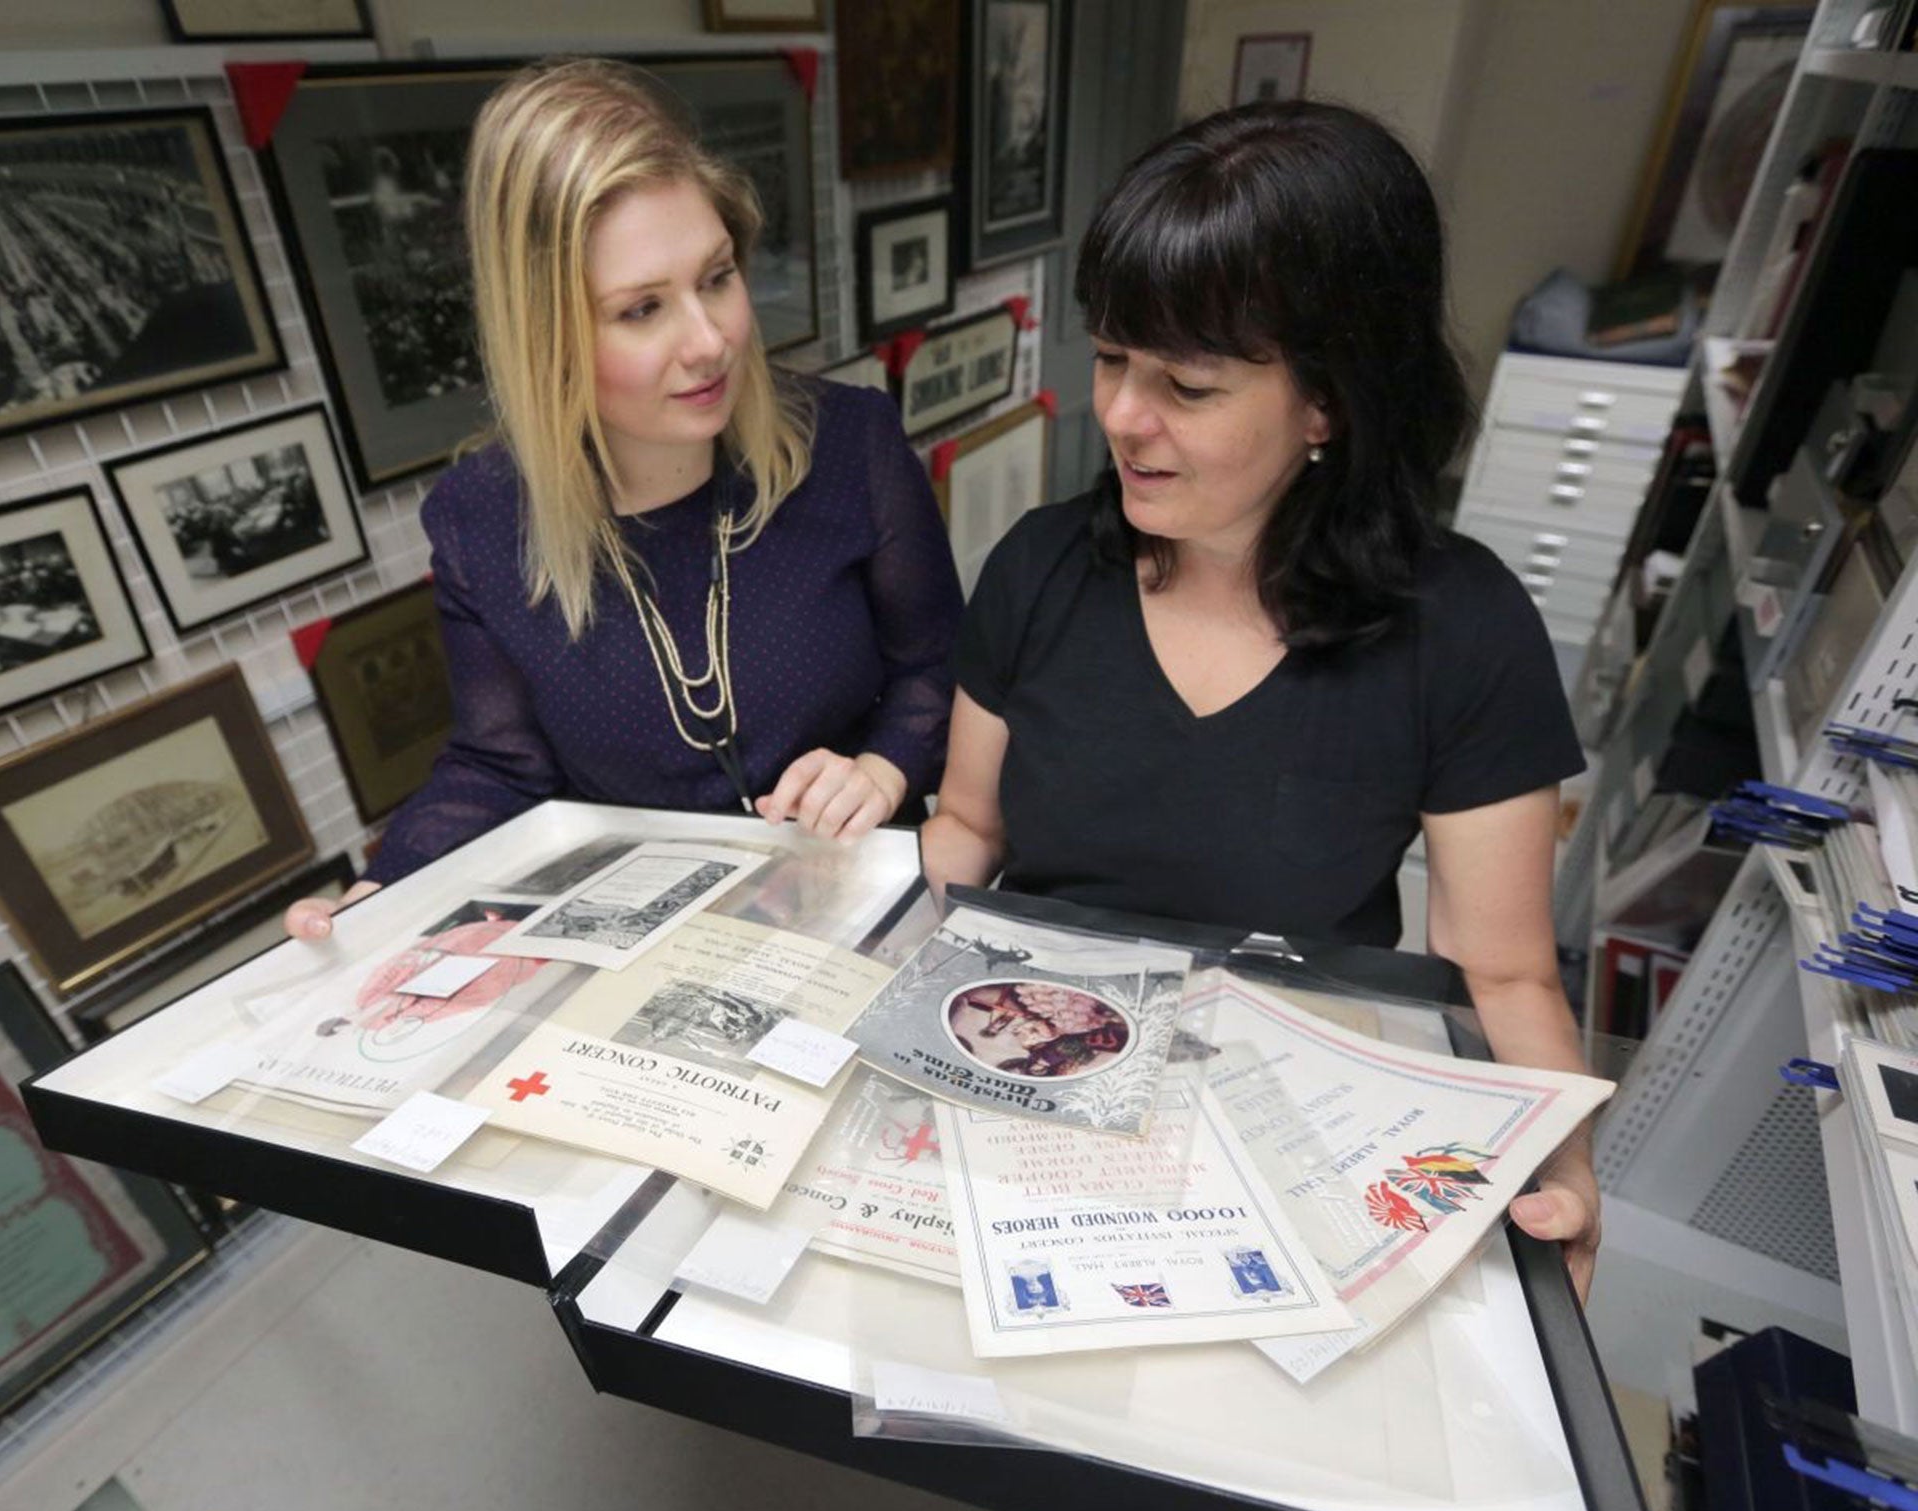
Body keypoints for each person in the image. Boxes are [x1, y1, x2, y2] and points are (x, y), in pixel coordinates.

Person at [920, 102, 1604, 1297]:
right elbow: (968, 833)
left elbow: (1497, 975)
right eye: (1112, 357)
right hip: (1031, 1083)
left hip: (1284, 1122)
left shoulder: (1461, 629)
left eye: (1184, 384)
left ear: (1325, 402)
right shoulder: (1037, 568)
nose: (1121, 416)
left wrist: (1562, 1163)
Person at [290, 59, 961, 939]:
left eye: (716, 277)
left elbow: (946, 668)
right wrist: (388, 894)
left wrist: (883, 767)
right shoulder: (480, 519)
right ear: (548, 333)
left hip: (855, 904)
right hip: (644, 944)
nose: (711, 339)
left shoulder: (849, 445)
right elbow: (500, 764)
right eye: (643, 309)